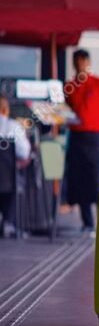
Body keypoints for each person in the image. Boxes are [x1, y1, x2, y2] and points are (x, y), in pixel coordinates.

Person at [63, 49, 99, 234]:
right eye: (76, 62)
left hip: (94, 137)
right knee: (79, 178)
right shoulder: (69, 86)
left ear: (88, 62)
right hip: (76, 136)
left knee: (96, 177)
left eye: (82, 61)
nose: (79, 65)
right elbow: (66, 110)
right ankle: (87, 223)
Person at [0, 95, 31, 236]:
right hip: (7, 179)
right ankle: (9, 222)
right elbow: (24, 152)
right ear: (5, 109)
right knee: (18, 181)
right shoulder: (13, 127)